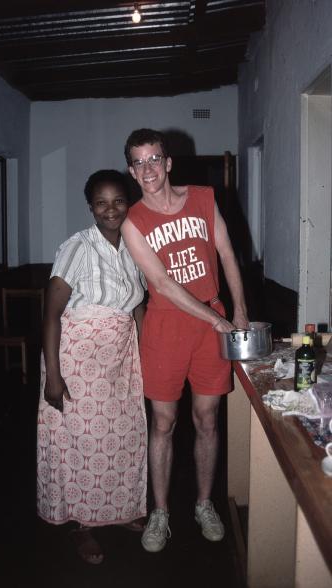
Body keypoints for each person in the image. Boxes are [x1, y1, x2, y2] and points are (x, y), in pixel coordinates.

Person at [121, 128, 249, 553]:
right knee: (163, 422)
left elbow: (228, 255)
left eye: (154, 158)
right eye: (138, 162)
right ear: (131, 171)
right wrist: (216, 320)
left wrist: (240, 311)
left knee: (207, 420)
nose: (148, 169)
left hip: (214, 321)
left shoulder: (204, 198)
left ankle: (203, 503)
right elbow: (161, 284)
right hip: (166, 326)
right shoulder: (133, 223)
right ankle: (159, 511)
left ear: (168, 162)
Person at [37, 169, 148, 564]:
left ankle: (115, 510)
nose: (110, 209)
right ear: (90, 207)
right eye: (101, 202)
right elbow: (51, 314)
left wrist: (147, 360)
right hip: (77, 360)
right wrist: (54, 375)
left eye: (118, 200)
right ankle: (82, 524)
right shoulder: (77, 247)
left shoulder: (135, 246)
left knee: (121, 436)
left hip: (120, 360)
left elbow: (137, 305)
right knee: (81, 441)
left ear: (128, 203)